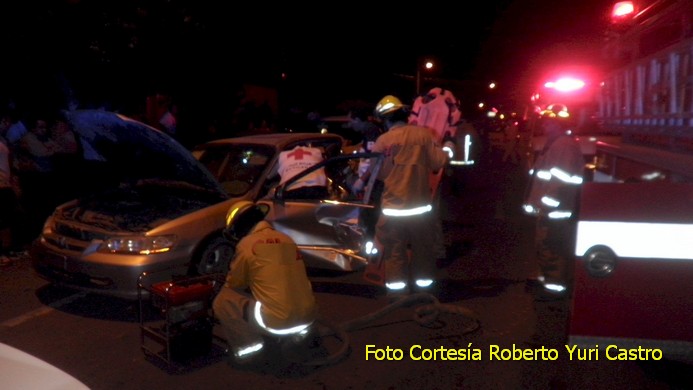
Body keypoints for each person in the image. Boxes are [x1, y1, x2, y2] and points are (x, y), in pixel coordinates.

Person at [213, 201, 317, 365]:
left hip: (277, 324)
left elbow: (235, 283)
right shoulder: (287, 239)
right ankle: (298, 335)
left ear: (240, 225)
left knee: (223, 300)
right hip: (307, 317)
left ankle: (249, 349)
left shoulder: (247, 244)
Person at [365, 95, 449, 298]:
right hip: (420, 207)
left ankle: (398, 295)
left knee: (394, 252)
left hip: (393, 208)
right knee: (423, 250)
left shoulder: (383, 141)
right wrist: (446, 148)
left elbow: (377, 175)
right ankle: (425, 292)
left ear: (386, 119)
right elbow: (439, 163)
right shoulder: (424, 136)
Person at [522, 108, 585, 300]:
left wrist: (547, 205)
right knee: (545, 246)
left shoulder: (563, 146)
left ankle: (554, 290)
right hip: (550, 209)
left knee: (553, 248)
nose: (544, 125)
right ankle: (547, 281)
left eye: (548, 122)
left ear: (558, 124)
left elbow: (560, 181)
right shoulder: (557, 144)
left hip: (556, 211)